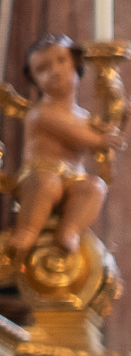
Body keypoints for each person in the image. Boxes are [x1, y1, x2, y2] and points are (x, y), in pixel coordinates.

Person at [6, 34, 112, 260]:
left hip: (74, 178)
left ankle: (70, 231)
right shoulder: (41, 113)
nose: (54, 71)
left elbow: (109, 142)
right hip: (39, 174)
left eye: (61, 61)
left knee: (95, 187)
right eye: (42, 68)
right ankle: (27, 230)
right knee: (47, 184)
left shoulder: (84, 116)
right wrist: (102, 140)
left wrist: (121, 117)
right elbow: (77, 137)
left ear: (76, 63)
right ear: (34, 79)